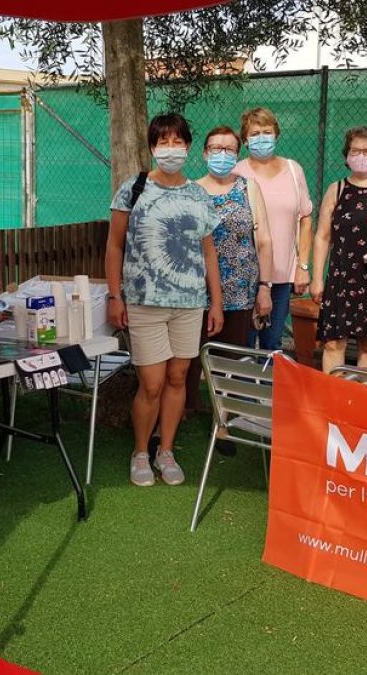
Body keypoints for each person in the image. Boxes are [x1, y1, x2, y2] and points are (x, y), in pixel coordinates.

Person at [106, 113, 223, 487]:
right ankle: (141, 451)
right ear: (152, 146)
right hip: (143, 301)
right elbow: (114, 245)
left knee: (178, 378)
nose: (170, 149)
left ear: (189, 146)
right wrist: (114, 295)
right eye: (162, 142)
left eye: (177, 142)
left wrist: (215, 302)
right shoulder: (133, 188)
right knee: (152, 383)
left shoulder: (198, 194)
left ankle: (166, 450)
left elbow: (208, 253)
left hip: (190, 301)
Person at [185, 125, 273, 410]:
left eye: (229, 149)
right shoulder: (191, 191)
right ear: (204, 153)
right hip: (197, 290)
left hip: (239, 288)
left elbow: (263, 240)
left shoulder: (248, 187)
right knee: (190, 357)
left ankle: (226, 415)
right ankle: (187, 409)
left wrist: (265, 287)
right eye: (216, 149)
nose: (222, 154)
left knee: (230, 358)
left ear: (237, 153)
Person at [311, 126, 367, 373]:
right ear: (346, 155)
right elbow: (322, 237)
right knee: (332, 343)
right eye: (355, 150)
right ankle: (332, 400)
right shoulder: (336, 189)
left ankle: (363, 402)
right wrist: (317, 278)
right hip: (341, 277)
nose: (360, 155)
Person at [233, 107, 314, 351]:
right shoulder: (236, 172)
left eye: (267, 132)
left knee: (272, 344)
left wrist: (302, 267)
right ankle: (242, 388)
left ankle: (269, 389)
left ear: (276, 135)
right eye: (255, 133)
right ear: (245, 139)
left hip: (281, 274)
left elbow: (306, 218)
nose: (261, 138)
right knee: (243, 345)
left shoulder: (293, 169)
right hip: (244, 275)